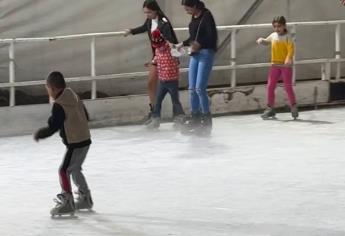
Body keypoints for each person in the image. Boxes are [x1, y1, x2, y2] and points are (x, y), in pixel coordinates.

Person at [34, 71, 93, 216]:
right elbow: (86, 115)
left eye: (47, 89)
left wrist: (41, 133)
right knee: (75, 169)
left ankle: (67, 201)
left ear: (53, 88)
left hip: (75, 142)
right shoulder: (72, 94)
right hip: (85, 139)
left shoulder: (59, 105)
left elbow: (54, 126)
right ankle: (85, 198)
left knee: (64, 170)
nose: (48, 92)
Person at [124, 0, 179, 124]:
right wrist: (131, 31)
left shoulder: (163, 22)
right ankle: (154, 112)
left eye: (148, 12)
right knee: (151, 83)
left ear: (155, 10)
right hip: (157, 56)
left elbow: (170, 40)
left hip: (167, 57)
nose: (147, 15)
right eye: (145, 12)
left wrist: (173, 54)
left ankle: (177, 115)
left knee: (171, 87)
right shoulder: (150, 20)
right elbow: (144, 28)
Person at [175, 0, 218, 135]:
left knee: (200, 88)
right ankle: (195, 117)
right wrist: (183, 43)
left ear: (194, 6)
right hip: (195, 54)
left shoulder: (207, 16)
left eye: (187, 8)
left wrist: (199, 44)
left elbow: (211, 37)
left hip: (205, 53)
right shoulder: (193, 17)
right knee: (192, 89)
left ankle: (206, 120)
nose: (185, 10)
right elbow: (194, 37)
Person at [256, 16, 299, 120]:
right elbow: (267, 42)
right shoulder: (273, 35)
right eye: (274, 26)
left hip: (285, 66)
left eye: (279, 26)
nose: (276, 28)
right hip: (274, 65)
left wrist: (288, 58)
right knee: (270, 86)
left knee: (288, 87)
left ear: (284, 26)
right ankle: (270, 108)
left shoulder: (288, 37)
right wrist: (262, 40)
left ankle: (293, 106)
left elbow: (291, 49)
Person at [146, 29, 185, 129]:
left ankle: (179, 118)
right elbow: (156, 59)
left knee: (175, 101)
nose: (159, 47)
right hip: (162, 80)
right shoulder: (157, 50)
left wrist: (175, 47)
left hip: (172, 80)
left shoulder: (170, 48)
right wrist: (151, 63)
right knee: (158, 101)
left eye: (160, 45)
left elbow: (181, 52)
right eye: (157, 46)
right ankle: (155, 119)